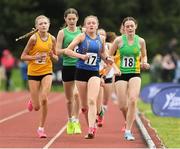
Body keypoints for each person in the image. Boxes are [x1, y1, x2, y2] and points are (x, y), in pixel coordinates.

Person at [60, 15, 115, 139]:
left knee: (92, 101)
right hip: (80, 72)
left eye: (93, 23)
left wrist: (108, 59)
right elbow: (67, 51)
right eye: (89, 23)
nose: (91, 25)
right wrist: (80, 56)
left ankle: (91, 128)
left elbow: (102, 53)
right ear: (85, 25)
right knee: (84, 106)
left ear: (97, 25)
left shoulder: (101, 38)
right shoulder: (81, 37)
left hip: (94, 72)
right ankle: (97, 113)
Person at [109, 17, 150, 141]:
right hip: (121, 74)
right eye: (127, 26)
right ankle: (128, 119)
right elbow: (109, 56)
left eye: (132, 26)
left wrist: (144, 63)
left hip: (135, 73)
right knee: (122, 105)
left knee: (133, 99)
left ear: (135, 26)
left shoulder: (141, 41)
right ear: (124, 28)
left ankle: (128, 130)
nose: (130, 28)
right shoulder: (118, 41)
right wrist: (115, 68)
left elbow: (144, 56)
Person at [20, 15, 58, 138]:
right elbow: (23, 56)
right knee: (36, 107)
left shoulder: (52, 39)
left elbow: (57, 58)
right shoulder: (33, 39)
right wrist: (35, 57)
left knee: (44, 99)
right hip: (33, 72)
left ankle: (41, 128)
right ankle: (32, 99)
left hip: (47, 70)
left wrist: (52, 55)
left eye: (45, 23)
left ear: (49, 25)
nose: (43, 25)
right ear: (37, 26)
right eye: (40, 24)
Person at [56, 8, 82, 135]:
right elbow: (57, 51)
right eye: (69, 19)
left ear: (77, 18)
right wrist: (66, 50)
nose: (71, 21)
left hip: (80, 66)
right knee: (69, 99)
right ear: (65, 19)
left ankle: (77, 120)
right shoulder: (62, 33)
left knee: (77, 94)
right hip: (67, 66)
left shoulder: (82, 32)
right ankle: (70, 120)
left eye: (73, 18)